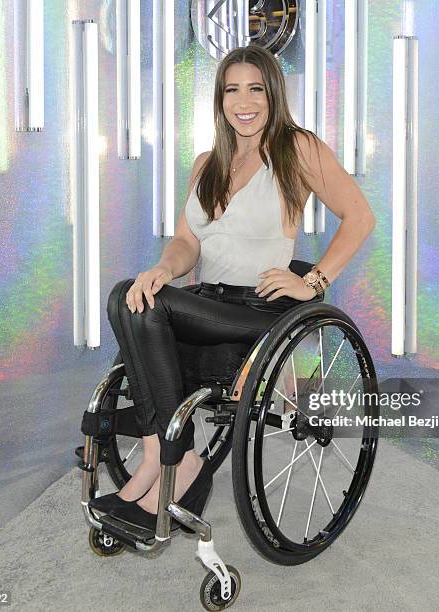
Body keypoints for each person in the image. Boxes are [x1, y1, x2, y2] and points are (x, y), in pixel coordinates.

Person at [89, 45, 375, 530]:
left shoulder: (296, 148)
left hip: (259, 309)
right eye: (232, 90)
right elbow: (187, 241)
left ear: (273, 94)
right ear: (220, 100)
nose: (245, 101)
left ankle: (170, 466)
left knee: (138, 302)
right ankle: (167, 458)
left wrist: (314, 280)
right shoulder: (207, 163)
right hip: (205, 302)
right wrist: (163, 268)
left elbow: (360, 217)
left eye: (256, 88)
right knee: (130, 294)